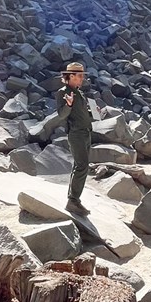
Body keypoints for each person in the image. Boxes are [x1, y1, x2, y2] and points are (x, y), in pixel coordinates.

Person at [55, 61, 93, 216]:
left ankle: (74, 200)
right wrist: (69, 105)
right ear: (71, 76)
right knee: (82, 166)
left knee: (81, 165)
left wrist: (94, 113)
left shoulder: (79, 92)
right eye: (80, 76)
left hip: (85, 133)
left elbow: (83, 114)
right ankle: (73, 201)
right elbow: (61, 115)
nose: (82, 78)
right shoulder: (63, 92)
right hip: (76, 134)